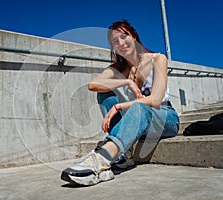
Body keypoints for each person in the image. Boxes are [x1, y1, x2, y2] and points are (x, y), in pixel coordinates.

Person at [61, 20, 179, 186]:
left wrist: (120, 106)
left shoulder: (157, 59)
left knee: (140, 106)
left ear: (134, 36)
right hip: (137, 122)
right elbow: (92, 85)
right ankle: (122, 156)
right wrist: (126, 82)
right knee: (105, 93)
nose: (121, 43)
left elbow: (156, 99)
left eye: (124, 37)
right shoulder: (117, 68)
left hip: (165, 118)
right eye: (115, 42)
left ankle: (102, 160)